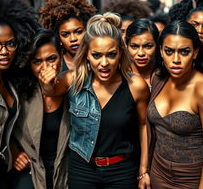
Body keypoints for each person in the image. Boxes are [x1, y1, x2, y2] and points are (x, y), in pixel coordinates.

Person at [39, 12, 151, 189]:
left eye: (111, 55)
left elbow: (144, 126)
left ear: (120, 53)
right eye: (97, 55)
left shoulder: (136, 86)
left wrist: (144, 169)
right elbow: (50, 91)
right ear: (87, 55)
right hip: (83, 169)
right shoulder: (73, 80)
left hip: (122, 170)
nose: (104, 63)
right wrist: (46, 84)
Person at [147, 20, 203, 188]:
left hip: (191, 178)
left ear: (195, 53)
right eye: (169, 51)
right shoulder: (158, 78)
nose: (176, 59)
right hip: (158, 172)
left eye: (184, 52)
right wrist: (145, 170)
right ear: (160, 51)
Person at [0, 0, 39, 188]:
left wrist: (11, 150)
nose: (4, 51)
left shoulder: (10, 79)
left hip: (0, 173)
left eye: (10, 44)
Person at [10, 28, 69, 189]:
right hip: (31, 171)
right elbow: (0, 127)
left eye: (51, 59)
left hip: (67, 172)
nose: (45, 67)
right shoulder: (20, 93)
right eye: (37, 61)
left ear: (61, 56)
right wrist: (13, 151)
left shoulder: (72, 88)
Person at [39, 0, 96, 71]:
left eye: (78, 32)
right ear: (58, 37)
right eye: (65, 34)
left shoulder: (97, 58)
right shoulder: (55, 64)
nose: (73, 39)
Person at [125, 18, 159, 90]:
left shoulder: (164, 76)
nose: (141, 53)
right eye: (134, 46)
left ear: (157, 45)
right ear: (126, 45)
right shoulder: (119, 75)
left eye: (148, 46)